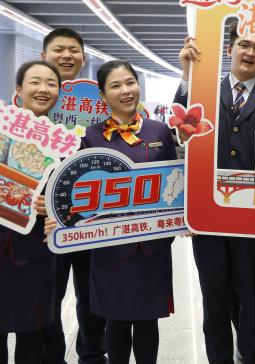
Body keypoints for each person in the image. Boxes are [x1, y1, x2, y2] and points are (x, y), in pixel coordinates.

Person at [176, 21, 255, 364]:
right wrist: (186, 76)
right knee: (214, 299)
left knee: (254, 297)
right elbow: (180, 135)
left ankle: (254, 358)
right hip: (209, 218)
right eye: (244, 44)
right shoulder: (202, 92)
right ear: (230, 50)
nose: (250, 52)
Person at [66, 60, 175, 364]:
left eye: (130, 82)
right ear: (103, 95)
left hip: (152, 244)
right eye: (115, 85)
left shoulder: (160, 131)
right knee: (115, 320)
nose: (126, 91)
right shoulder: (90, 137)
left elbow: (176, 184)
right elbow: (79, 189)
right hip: (110, 244)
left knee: (147, 319)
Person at [40, 27, 107, 364]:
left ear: (83, 58)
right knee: (46, 295)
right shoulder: (28, 105)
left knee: (92, 292)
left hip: (90, 214)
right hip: (43, 219)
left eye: (73, 50)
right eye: (58, 50)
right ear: (44, 56)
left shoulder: (100, 103)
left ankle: (92, 354)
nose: (66, 55)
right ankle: (52, 355)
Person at [0, 61, 62, 364]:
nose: (43, 89)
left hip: (35, 251)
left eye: (51, 83)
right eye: (35, 82)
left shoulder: (65, 142)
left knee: (32, 333)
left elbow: (75, 198)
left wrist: (53, 206)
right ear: (19, 89)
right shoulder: (0, 129)